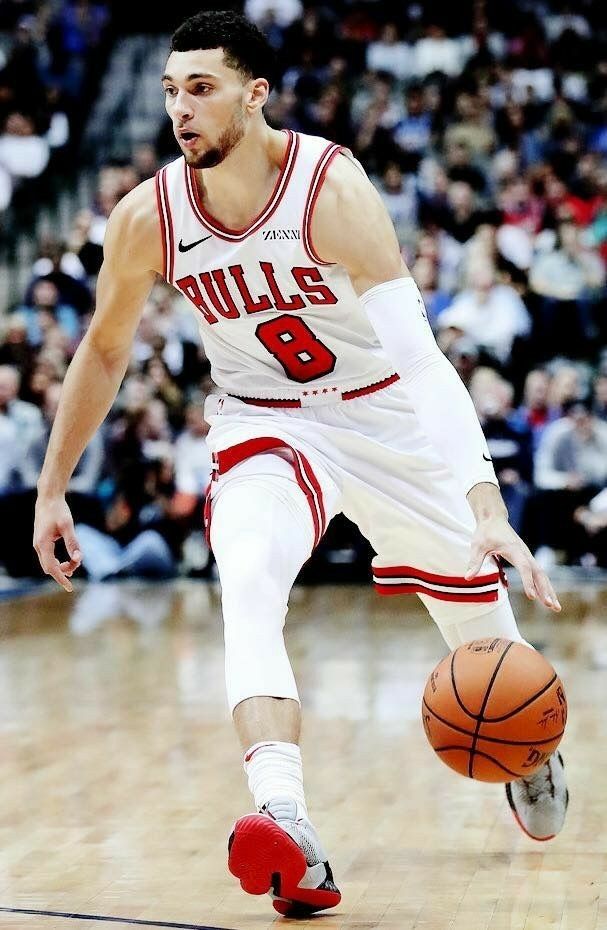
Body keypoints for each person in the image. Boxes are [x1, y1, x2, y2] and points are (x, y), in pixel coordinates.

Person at [33, 11, 567, 919]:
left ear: (255, 92)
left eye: (199, 88)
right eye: (169, 90)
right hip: (263, 422)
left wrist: (483, 505)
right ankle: (287, 820)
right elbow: (104, 349)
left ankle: (530, 741)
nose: (178, 109)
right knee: (244, 581)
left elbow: (418, 356)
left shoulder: (329, 188)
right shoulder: (147, 216)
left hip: (381, 412)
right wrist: (52, 488)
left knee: (483, 642)